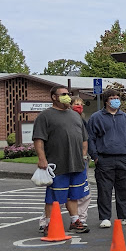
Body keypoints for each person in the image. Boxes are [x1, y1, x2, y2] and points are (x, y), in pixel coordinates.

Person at [33, 85, 89, 234]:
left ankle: (75, 221)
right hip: (56, 164)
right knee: (54, 196)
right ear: (54, 97)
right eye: (63, 94)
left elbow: (84, 138)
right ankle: (50, 224)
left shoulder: (75, 115)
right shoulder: (45, 116)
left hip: (76, 163)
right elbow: (39, 139)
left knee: (74, 195)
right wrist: (42, 159)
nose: (67, 97)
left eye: (68, 94)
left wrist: (84, 155)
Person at [87, 89, 126, 228]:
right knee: (104, 189)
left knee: (123, 189)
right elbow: (91, 138)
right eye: (112, 98)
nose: (115, 100)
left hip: (124, 158)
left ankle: (125, 216)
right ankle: (105, 217)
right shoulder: (96, 117)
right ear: (106, 100)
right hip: (104, 159)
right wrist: (95, 157)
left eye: (117, 97)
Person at [66, 96, 92, 232]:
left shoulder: (82, 121)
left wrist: (85, 156)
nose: (79, 106)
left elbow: (85, 140)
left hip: (80, 161)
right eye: (76, 104)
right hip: (63, 161)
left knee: (83, 192)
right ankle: (47, 221)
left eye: (81, 104)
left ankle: (80, 219)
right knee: (59, 192)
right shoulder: (63, 119)